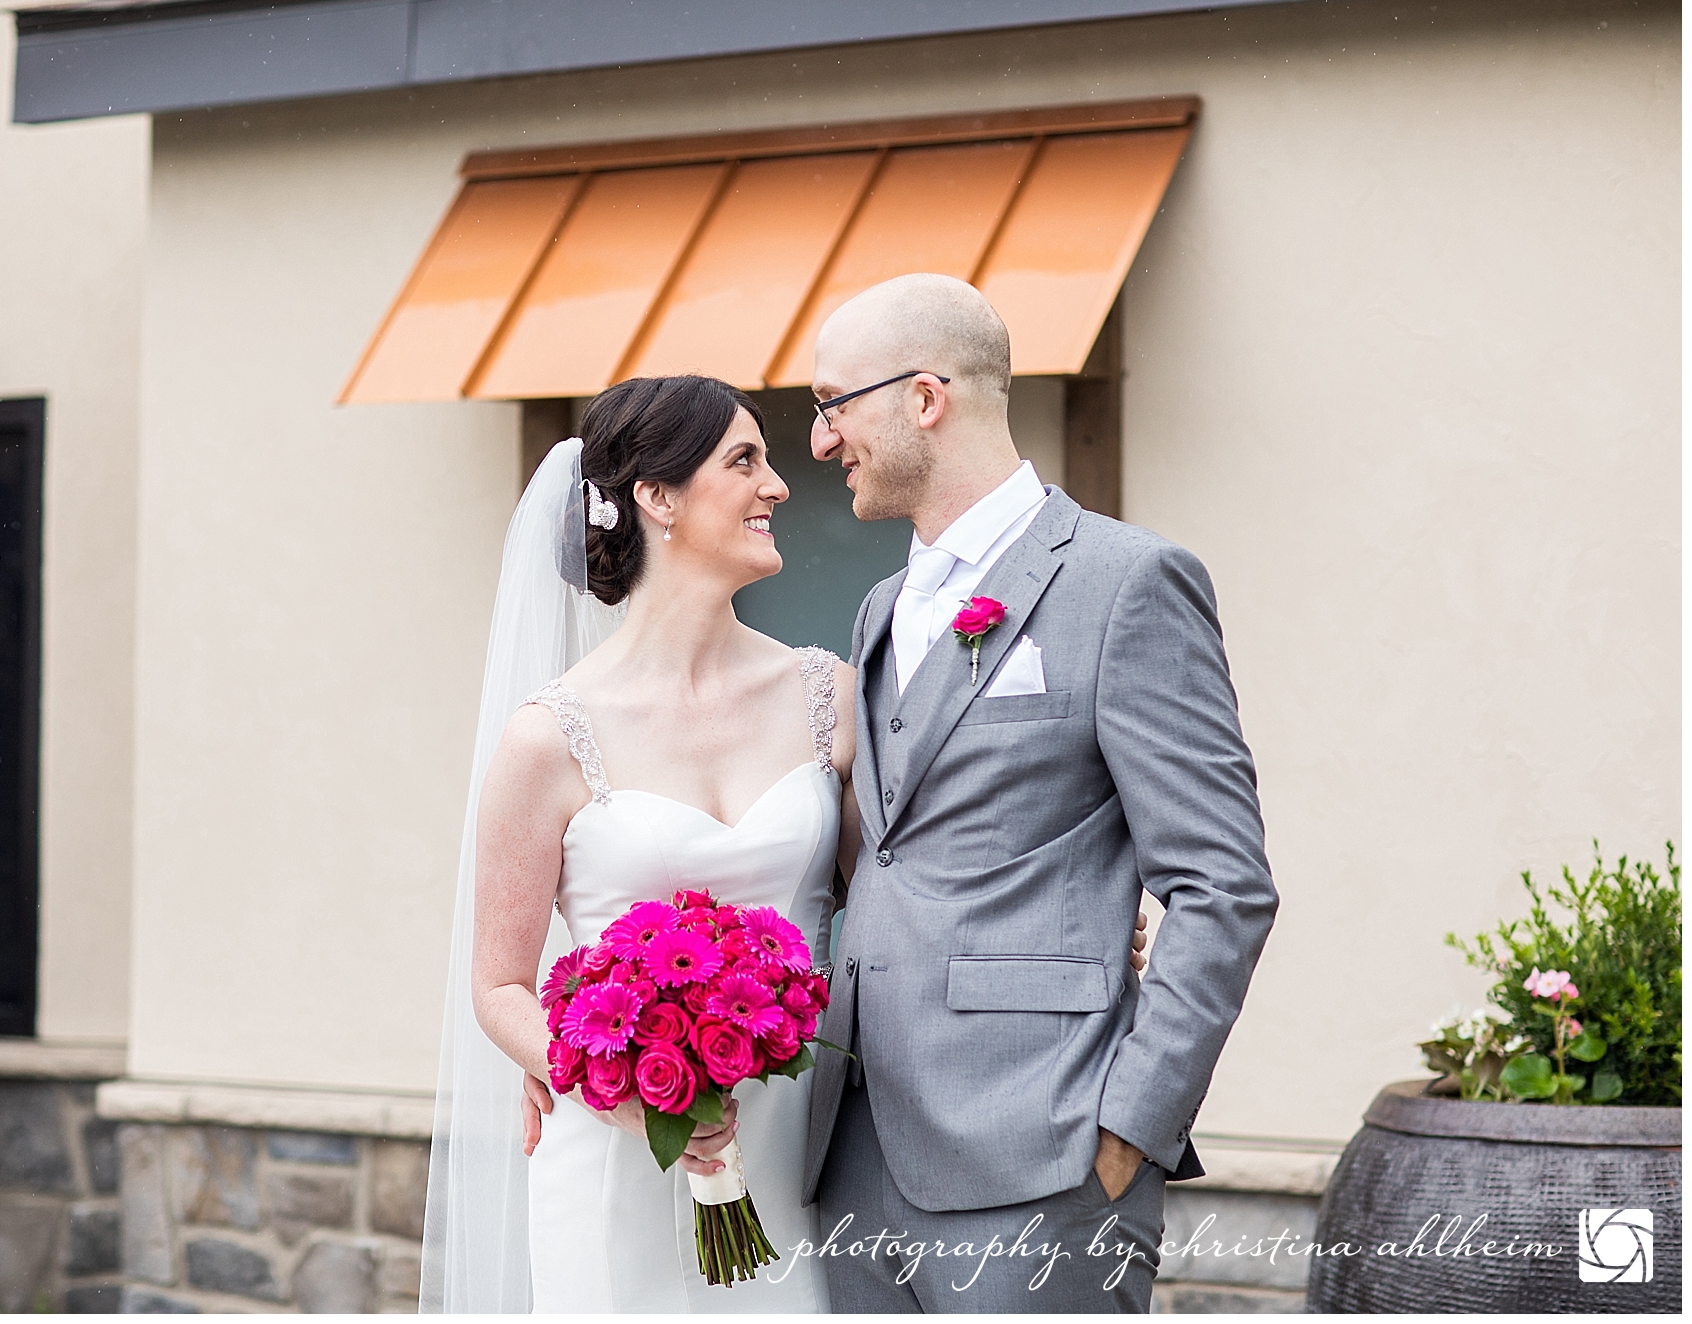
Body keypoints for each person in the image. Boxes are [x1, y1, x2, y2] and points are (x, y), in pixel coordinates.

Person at [423, 373, 1154, 1313]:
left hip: (803, 1146)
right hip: (623, 1151)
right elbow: (499, 987)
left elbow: (908, 884)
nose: (779, 486)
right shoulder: (547, 739)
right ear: (656, 498)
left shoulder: (831, 695)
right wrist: (603, 1077)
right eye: (745, 461)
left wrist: (1074, 911)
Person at [800, 274, 1280, 1312]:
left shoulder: (1126, 583)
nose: (819, 441)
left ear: (923, 397)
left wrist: (1128, 1128)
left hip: (1043, 1155)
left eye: (832, 404)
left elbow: (1222, 884)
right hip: (846, 1154)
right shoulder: (882, 606)